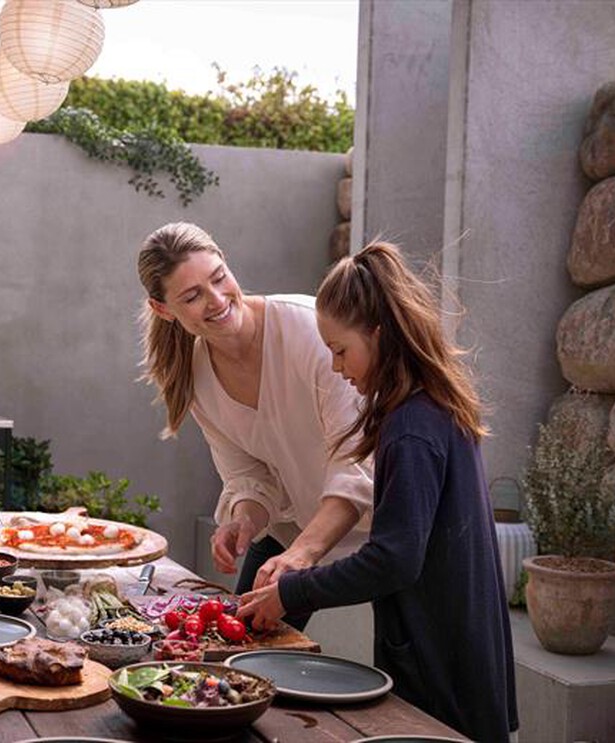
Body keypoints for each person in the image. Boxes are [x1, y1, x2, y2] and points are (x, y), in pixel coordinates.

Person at [236, 241, 518, 742]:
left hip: (441, 664)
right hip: (457, 648)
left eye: (341, 351)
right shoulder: (432, 406)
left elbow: (394, 559)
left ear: (380, 336)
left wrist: (291, 593)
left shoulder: (412, 427)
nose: (338, 369)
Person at [136, 222, 374, 629]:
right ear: (163, 310)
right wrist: (244, 519)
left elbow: (358, 466)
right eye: (192, 296)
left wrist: (301, 555)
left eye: (218, 278)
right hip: (291, 533)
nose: (216, 300)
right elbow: (248, 475)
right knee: (244, 641)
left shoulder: (309, 332)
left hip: (375, 532)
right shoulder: (195, 375)